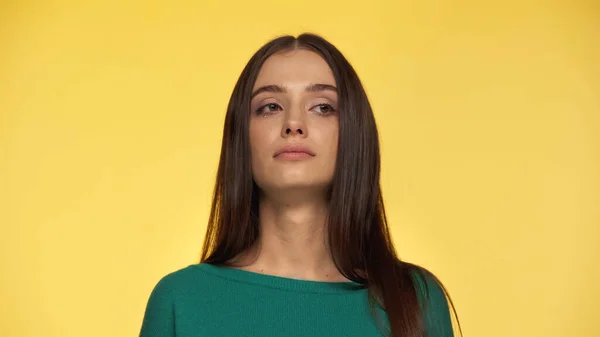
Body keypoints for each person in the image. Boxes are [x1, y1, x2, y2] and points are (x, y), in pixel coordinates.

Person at [139, 33, 460, 337]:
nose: (293, 124)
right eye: (270, 107)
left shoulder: (415, 298)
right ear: (241, 138)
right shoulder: (180, 301)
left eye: (323, 107)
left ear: (353, 133)